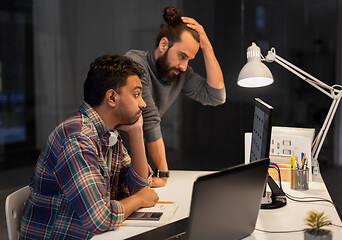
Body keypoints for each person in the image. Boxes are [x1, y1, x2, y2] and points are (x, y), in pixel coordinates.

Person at [19, 55, 159, 239]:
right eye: (136, 94)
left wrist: (136, 133)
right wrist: (139, 200)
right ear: (111, 97)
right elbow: (99, 219)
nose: (143, 103)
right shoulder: (78, 137)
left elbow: (139, 185)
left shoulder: (107, 134)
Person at [125, 6, 226, 187]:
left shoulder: (180, 75)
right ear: (164, 45)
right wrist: (163, 173)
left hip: (139, 162)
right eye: (182, 56)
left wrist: (207, 46)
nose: (184, 66)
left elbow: (216, 96)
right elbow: (149, 119)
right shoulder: (135, 63)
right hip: (115, 158)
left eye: (189, 60)